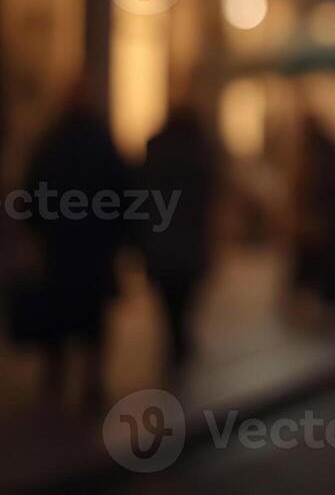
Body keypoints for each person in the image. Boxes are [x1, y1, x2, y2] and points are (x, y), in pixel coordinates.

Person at [21, 86, 130, 410]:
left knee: (58, 310)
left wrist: (38, 229)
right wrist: (119, 236)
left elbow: (32, 192)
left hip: (60, 244)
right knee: (92, 316)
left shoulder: (50, 142)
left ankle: (56, 374)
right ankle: (92, 380)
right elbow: (124, 192)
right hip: (94, 246)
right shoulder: (102, 143)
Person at [138, 108, 215, 378]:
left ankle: (175, 340)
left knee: (169, 299)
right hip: (188, 241)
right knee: (183, 298)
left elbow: (141, 196)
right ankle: (178, 341)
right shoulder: (199, 153)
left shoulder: (155, 151)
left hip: (162, 240)